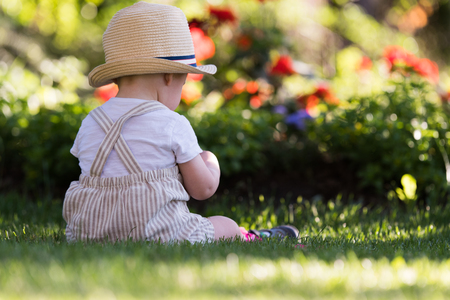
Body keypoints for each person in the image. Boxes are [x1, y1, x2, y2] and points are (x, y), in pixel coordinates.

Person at [62, 2, 298, 243]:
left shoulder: (91, 122)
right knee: (225, 224)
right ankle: (248, 237)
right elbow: (203, 189)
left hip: (90, 233)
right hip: (161, 234)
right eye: (183, 83)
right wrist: (210, 163)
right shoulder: (171, 123)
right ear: (169, 77)